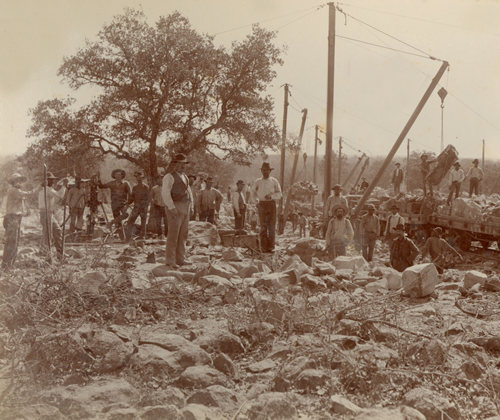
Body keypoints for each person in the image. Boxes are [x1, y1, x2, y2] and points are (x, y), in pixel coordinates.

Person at [161, 153, 193, 268]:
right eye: (180, 164)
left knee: (183, 234)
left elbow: (189, 191)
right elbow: (165, 193)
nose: (182, 166)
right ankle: (170, 260)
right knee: (173, 234)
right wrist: (171, 207)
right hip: (175, 206)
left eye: (184, 164)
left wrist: (191, 205)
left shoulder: (185, 177)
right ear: (174, 164)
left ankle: (181, 259)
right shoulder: (169, 177)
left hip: (186, 206)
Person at [1, 173, 32, 270]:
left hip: (16, 217)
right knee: (12, 242)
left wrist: (26, 210)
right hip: (12, 218)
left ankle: (10, 265)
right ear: (13, 182)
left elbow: (23, 201)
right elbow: (28, 194)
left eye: (20, 181)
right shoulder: (14, 191)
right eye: (17, 180)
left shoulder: (17, 191)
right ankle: (7, 265)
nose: (20, 183)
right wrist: (40, 187)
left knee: (15, 242)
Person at [252, 162, 282, 253]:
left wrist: (271, 196)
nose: (265, 172)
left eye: (267, 170)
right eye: (263, 170)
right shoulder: (258, 182)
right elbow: (252, 193)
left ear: (270, 171)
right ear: (261, 171)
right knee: (263, 226)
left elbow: (279, 194)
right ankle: (264, 247)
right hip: (261, 204)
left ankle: (271, 247)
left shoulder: (274, 181)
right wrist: (256, 202)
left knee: (272, 226)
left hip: (271, 204)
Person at [98, 168, 131, 239]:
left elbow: (131, 195)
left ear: (122, 176)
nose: (118, 176)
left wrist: (128, 204)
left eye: (119, 175)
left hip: (123, 204)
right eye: (116, 175)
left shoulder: (125, 183)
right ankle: (122, 238)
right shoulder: (111, 183)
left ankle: (111, 222)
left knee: (126, 214)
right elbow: (101, 186)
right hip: (114, 205)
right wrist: (98, 178)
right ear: (114, 176)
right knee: (118, 224)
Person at [38, 172, 64, 256]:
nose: (53, 182)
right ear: (47, 181)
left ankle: (59, 252)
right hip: (46, 213)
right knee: (47, 234)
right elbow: (60, 195)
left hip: (49, 213)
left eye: (53, 180)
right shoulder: (47, 189)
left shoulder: (46, 189)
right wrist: (64, 186)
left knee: (57, 230)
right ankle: (45, 253)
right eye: (51, 180)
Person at [125, 171, 150, 241]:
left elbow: (148, 198)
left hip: (143, 207)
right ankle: (128, 237)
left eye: (140, 177)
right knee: (130, 221)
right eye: (137, 177)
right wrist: (127, 203)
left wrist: (145, 206)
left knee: (143, 222)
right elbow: (132, 198)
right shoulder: (135, 187)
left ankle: (142, 237)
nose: (139, 179)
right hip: (136, 207)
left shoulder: (146, 187)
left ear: (143, 178)